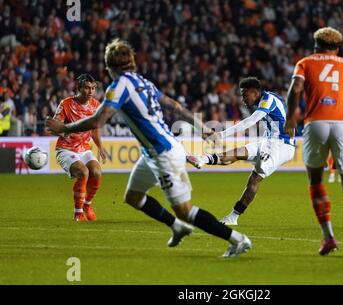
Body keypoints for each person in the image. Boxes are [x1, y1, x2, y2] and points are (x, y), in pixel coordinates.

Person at [46, 39, 251, 257]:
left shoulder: (119, 86)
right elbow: (175, 105)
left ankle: (238, 240)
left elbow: (97, 121)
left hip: (164, 153)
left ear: (110, 67)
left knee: (186, 211)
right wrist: (203, 128)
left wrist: (64, 126)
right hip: (151, 153)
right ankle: (176, 227)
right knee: (133, 197)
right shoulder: (142, 81)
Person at [285, 27, 343, 258]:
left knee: (315, 180)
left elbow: (295, 89)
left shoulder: (305, 62)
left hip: (315, 125)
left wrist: (290, 120)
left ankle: (328, 237)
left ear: (316, 46)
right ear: (337, 48)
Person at [186, 77, 296, 225]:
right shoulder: (268, 98)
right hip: (268, 141)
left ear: (255, 93)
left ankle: (233, 217)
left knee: (254, 179)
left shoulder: (267, 100)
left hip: (281, 146)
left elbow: (250, 122)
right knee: (237, 153)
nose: (243, 99)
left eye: (245, 95)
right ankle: (202, 160)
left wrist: (221, 134)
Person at [52, 74, 106, 221]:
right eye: (87, 88)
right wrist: (60, 129)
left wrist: (100, 147)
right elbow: (56, 125)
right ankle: (78, 212)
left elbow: (95, 128)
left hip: (83, 148)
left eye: (93, 88)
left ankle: (87, 205)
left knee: (96, 172)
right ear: (79, 88)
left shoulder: (95, 105)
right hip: (66, 148)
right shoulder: (66, 104)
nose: (90, 92)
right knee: (83, 172)